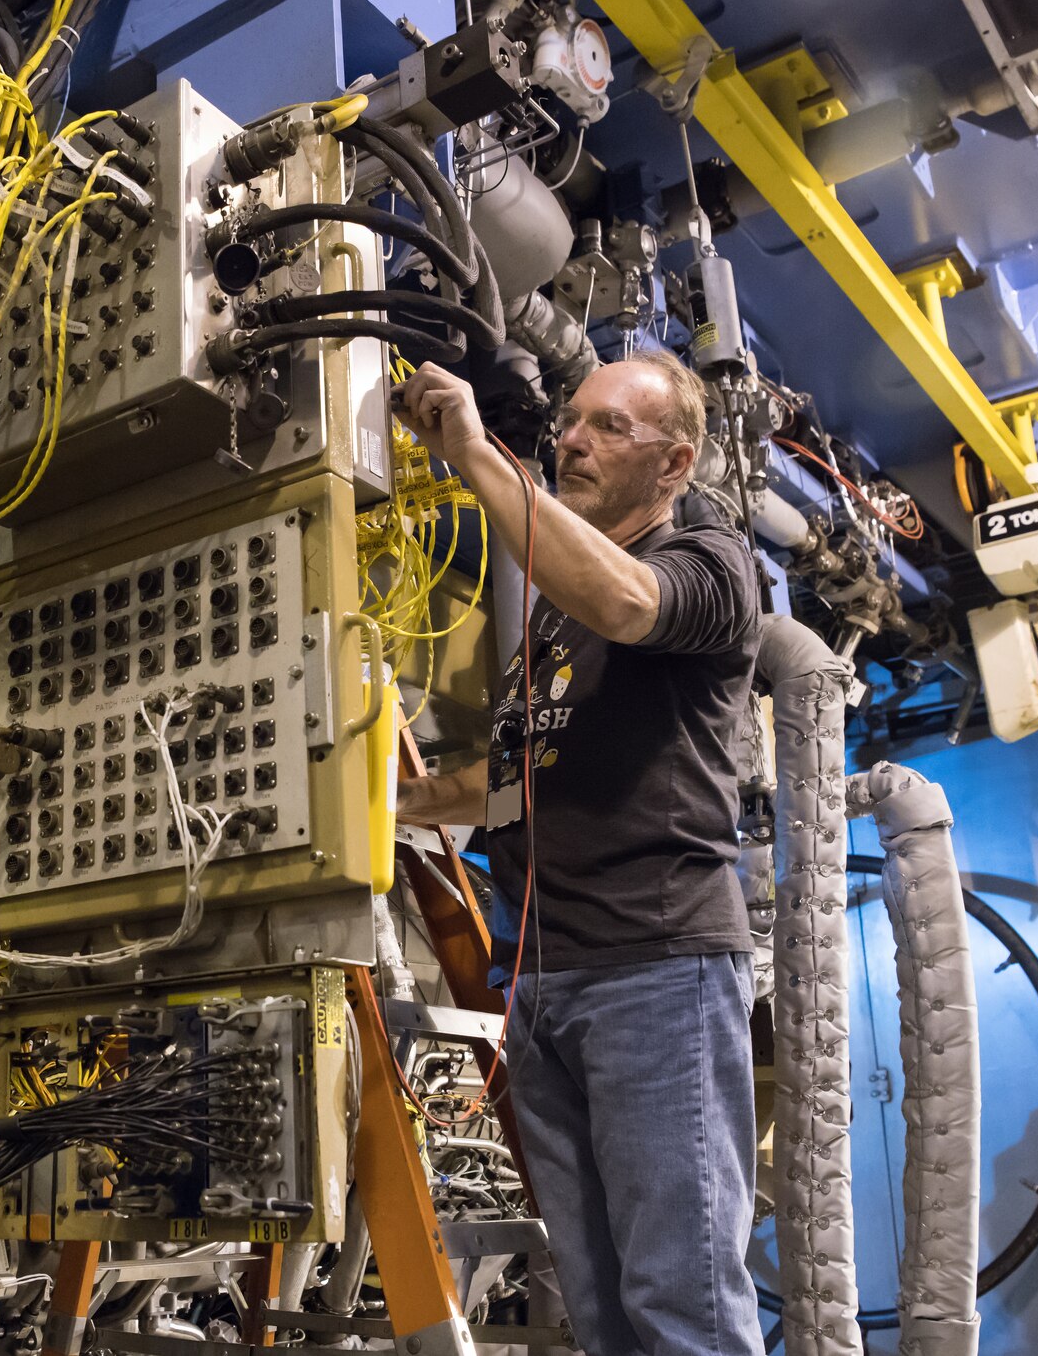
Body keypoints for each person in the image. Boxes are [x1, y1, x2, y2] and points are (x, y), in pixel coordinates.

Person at [396, 351, 763, 1356]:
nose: (571, 438)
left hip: (654, 972)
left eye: (608, 426)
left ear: (673, 462)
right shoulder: (553, 616)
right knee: (601, 1311)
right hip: (547, 982)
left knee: (679, 1300)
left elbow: (629, 605)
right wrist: (398, 799)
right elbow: (521, 775)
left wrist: (474, 452)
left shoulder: (708, 560)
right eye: (571, 420)